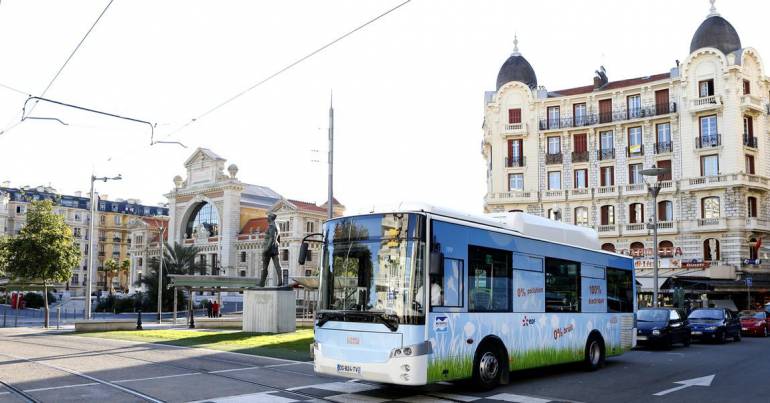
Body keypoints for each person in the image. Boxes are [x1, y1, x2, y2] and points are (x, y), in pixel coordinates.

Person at [259, 213, 283, 287]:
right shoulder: (277, 226)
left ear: (271, 218)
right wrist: (277, 244)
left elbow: (272, 238)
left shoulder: (271, 226)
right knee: (278, 266)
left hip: (269, 248)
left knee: (264, 267)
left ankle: (262, 283)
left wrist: (266, 249)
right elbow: (278, 238)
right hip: (275, 248)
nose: (267, 218)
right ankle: (280, 281)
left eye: (268, 217)